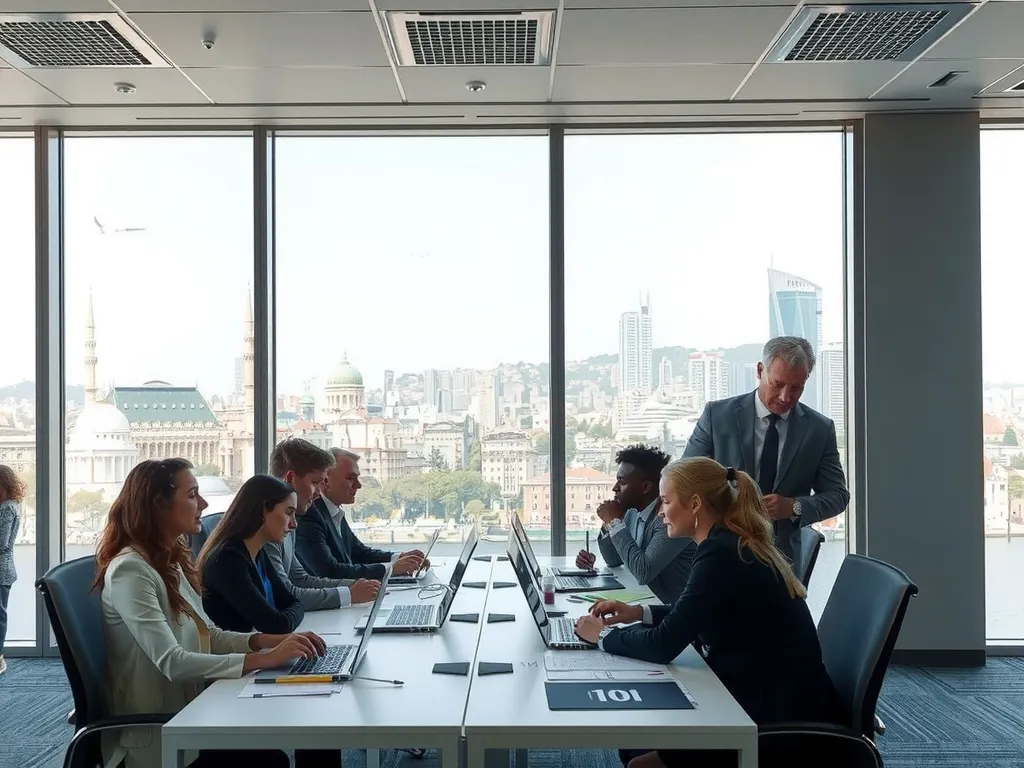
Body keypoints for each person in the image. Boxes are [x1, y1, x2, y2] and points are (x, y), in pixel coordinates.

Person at [574, 456, 845, 768]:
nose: (661, 513)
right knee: (638, 733)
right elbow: (698, 611)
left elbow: (664, 644)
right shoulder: (731, 542)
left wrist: (603, 636)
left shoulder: (720, 553)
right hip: (777, 693)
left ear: (695, 504)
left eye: (665, 501)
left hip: (775, 718)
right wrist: (638, 613)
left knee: (640, 761)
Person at [93, 458, 324, 768]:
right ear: (159, 505)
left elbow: (209, 633)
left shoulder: (168, 560)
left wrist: (273, 641)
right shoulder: (131, 571)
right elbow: (172, 662)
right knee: (271, 760)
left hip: (192, 710)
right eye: (192, 495)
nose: (202, 503)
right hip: (160, 737)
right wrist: (265, 658)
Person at [683, 336, 849, 567]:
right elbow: (685, 481)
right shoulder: (717, 416)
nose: (785, 397)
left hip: (783, 562)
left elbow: (838, 497)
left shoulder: (819, 429)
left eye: (796, 388)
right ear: (760, 371)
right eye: (778, 384)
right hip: (718, 552)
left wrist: (793, 506)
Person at [263, 438, 380, 609]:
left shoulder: (290, 521)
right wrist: (349, 594)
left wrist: (357, 585)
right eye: (315, 482)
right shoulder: (267, 526)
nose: (319, 492)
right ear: (291, 478)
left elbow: (300, 579)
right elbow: (285, 594)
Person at [575, 445, 695, 604]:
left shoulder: (668, 518)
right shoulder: (630, 511)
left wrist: (615, 522)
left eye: (622, 482)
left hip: (674, 610)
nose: (615, 488)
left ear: (645, 487)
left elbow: (643, 572)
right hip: (648, 602)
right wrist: (608, 524)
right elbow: (613, 560)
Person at [296, 448, 427, 581]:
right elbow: (329, 571)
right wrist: (390, 569)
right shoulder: (309, 514)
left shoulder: (333, 510)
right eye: (350, 478)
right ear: (325, 480)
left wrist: (399, 557)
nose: (358, 485)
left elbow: (358, 552)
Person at [198, 475, 306, 634]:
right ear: (263, 509)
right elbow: (276, 625)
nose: (294, 523)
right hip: (237, 657)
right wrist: (290, 614)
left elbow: (293, 602)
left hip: (259, 652)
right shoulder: (227, 560)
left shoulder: (257, 552)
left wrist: (290, 613)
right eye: (288, 512)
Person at [0, 464, 24, 676]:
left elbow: (2, 543)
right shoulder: (11, 505)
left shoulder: (7, 507)